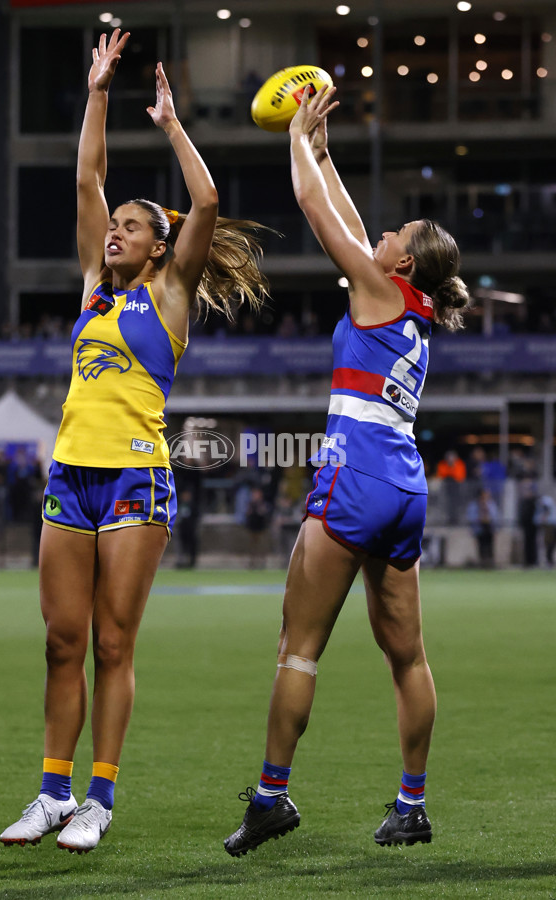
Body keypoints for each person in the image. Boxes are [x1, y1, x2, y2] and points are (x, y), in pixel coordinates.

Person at [0, 29, 269, 854]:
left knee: (113, 643)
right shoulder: (92, 288)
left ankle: (100, 799)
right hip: (70, 475)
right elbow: (86, 175)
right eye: (110, 224)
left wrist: (171, 124)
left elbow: (211, 202)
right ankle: (52, 791)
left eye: (129, 226)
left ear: (159, 244)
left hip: (135, 481)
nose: (113, 231)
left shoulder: (172, 295)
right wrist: (96, 93)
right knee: (61, 642)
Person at [224, 84, 471, 856]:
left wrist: (297, 139)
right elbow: (343, 206)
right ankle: (413, 805)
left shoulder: (372, 287)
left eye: (400, 229)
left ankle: (270, 798)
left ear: (403, 260)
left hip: (355, 479)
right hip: (404, 486)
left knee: (299, 647)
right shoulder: (411, 306)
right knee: (408, 656)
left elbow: (308, 200)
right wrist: (324, 147)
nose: (387, 229)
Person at [467, 487, 499, 567]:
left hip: (489, 527)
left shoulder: (491, 504)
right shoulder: (474, 505)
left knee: (490, 545)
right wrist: (479, 519)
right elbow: (470, 517)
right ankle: (482, 563)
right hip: (479, 527)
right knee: (481, 545)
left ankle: (490, 563)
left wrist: (489, 519)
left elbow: (495, 516)